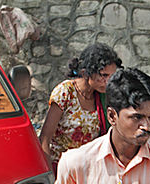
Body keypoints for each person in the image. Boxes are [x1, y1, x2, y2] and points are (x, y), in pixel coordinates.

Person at [39, 43, 121, 173]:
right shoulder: (65, 92)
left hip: (90, 169)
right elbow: (45, 138)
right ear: (85, 73)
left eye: (111, 76)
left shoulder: (102, 97)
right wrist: (50, 176)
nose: (108, 82)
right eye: (103, 76)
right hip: (62, 169)